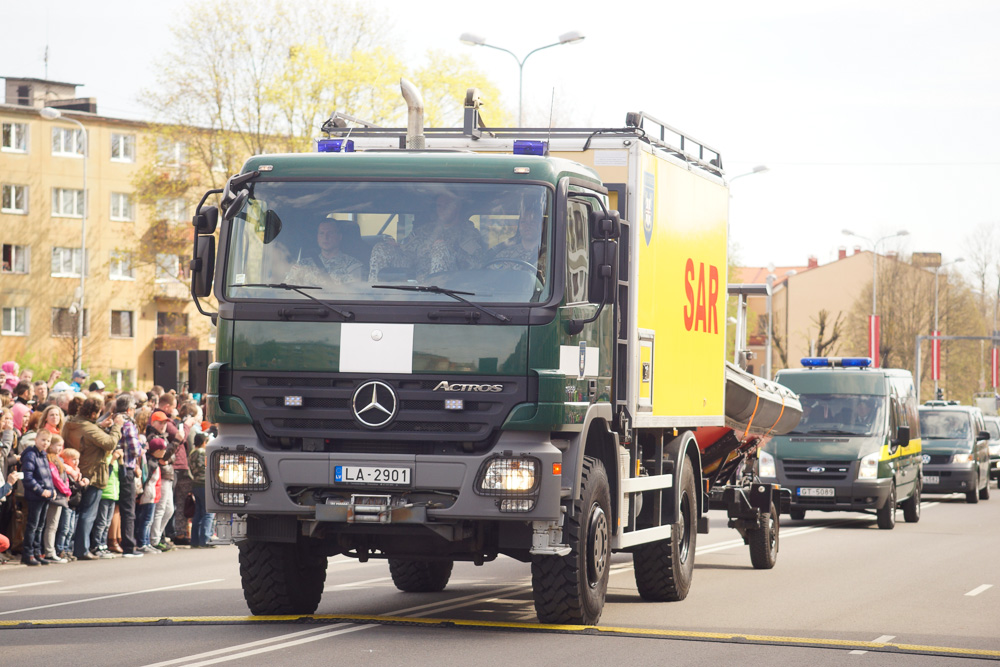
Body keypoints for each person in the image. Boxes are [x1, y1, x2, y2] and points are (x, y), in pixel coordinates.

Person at [369, 193, 485, 282]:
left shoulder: (468, 232)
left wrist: (449, 249)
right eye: (439, 205)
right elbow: (408, 255)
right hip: (415, 281)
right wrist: (397, 248)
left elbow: (476, 265)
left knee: (440, 247)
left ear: (457, 207)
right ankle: (375, 299)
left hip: (450, 288)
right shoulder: (425, 230)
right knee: (381, 248)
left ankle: (436, 300)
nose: (442, 209)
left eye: (447, 205)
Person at [63, 397, 124, 560]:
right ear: (92, 413)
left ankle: (73, 548)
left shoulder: (72, 424)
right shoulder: (88, 428)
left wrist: (99, 426)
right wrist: (117, 426)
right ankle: (82, 549)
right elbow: (110, 443)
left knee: (77, 513)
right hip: (93, 473)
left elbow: (88, 433)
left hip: (78, 471)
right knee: (88, 513)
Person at [284, 219, 364, 286]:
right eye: (322, 233)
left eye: (330, 233)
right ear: (317, 237)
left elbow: (352, 298)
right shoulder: (303, 265)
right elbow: (286, 292)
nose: (325, 237)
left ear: (339, 237)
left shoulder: (352, 265)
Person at [113, 394, 143, 558]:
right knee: (128, 509)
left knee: (116, 508)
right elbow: (134, 449)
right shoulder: (128, 423)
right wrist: (141, 449)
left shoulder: (113, 419)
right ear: (130, 409)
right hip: (126, 468)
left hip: (115, 466)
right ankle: (129, 546)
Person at [20, 428, 55, 565]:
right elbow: (28, 478)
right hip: (35, 495)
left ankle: (37, 552)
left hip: (44, 495)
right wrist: (40, 490)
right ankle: (28, 554)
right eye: (43, 440)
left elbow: (47, 476)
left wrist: (51, 490)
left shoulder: (43, 455)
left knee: (40, 525)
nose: (45, 443)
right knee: (33, 525)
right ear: (36, 440)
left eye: (48, 441)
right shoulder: (30, 455)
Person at [42, 435, 71, 563]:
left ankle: (50, 550)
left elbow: (65, 477)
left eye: (61, 445)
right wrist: (66, 491)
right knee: (51, 525)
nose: (60, 448)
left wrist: (67, 490)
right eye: (58, 445)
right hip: (56, 496)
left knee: (54, 524)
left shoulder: (58, 459)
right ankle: (49, 552)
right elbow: (56, 478)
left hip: (60, 495)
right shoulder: (50, 459)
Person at [188, 433, 214, 548]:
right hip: (205, 484)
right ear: (204, 442)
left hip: (195, 484)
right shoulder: (204, 453)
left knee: (198, 513)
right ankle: (205, 539)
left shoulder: (192, 453)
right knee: (208, 512)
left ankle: (195, 540)